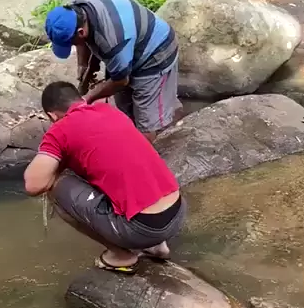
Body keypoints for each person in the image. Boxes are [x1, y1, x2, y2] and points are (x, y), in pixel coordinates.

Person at [24, 81, 185, 274]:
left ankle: (121, 255)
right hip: (177, 213)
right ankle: (158, 246)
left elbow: (34, 185)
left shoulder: (60, 130)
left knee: (56, 186)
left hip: (143, 228)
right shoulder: (109, 111)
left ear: (52, 116)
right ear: (80, 100)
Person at [44, 0, 180, 142]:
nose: (73, 46)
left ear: (81, 32)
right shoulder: (75, 10)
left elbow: (121, 81)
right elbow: (85, 41)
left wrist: (88, 97)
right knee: (125, 108)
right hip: (129, 47)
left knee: (146, 122)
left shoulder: (112, 40)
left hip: (155, 54)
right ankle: (130, 138)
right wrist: (85, 66)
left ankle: (148, 147)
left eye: (71, 43)